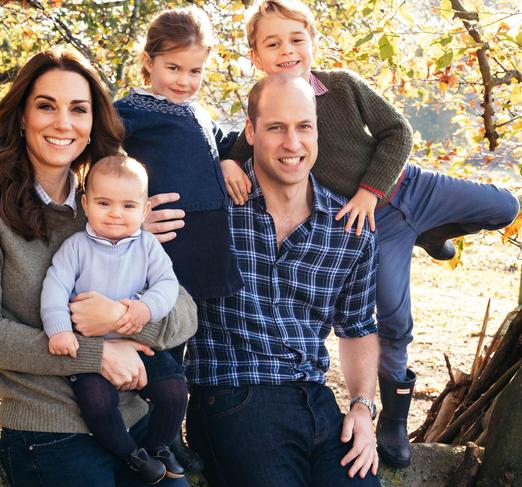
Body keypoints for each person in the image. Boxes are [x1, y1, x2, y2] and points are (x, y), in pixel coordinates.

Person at [219, 0, 520, 468]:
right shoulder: (264, 106)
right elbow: (244, 147)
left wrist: (369, 190)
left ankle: (437, 232)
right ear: (256, 55)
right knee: (393, 319)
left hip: (410, 188)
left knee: (506, 206)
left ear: (313, 43)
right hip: (376, 228)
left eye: (297, 39)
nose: (287, 50)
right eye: (272, 43)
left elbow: (397, 131)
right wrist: (224, 163)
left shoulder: (341, 86)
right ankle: (394, 421)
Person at [0, 47, 195, 487]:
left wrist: (122, 317)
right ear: (21, 115)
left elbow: (186, 312)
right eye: (46, 106)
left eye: (78, 109)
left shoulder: (108, 204)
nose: (63, 123)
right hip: (51, 434)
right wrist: (99, 354)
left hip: (136, 422)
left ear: (93, 121)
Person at [149, 74, 381, 486]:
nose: (293, 143)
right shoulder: (209, 211)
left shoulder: (349, 227)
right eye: (276, 127)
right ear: (251, 132)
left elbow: (358, 327)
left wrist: (362, 406)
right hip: (233, 395)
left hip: (319, 402)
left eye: (303, 127)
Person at [113, 6, 242, 471]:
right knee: (161, 342)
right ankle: (159, 433)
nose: (185, 80)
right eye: (173, 68)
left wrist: (228, 159)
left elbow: (224, 139)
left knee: (188, 342)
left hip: (204, 245)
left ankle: (180, 429)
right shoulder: (130, 111)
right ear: (148, 61)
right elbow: (100, 163)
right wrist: (129, 213)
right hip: (165, 245)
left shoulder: (198, 111)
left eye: (195, 70)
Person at [40, 155, 187, 483]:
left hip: (136, 343)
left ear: (145, 210)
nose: (116, 214)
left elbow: (167, 285)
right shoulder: (75, 247)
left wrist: (144, 308)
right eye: (104, 203)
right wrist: (60, 330)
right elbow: (54, 287)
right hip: (90, 348)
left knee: (174, 390)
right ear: (86, 203)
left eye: (128, 206)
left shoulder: (148, 246)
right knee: (96, 402)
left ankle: (158, 445)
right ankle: (130, 455)